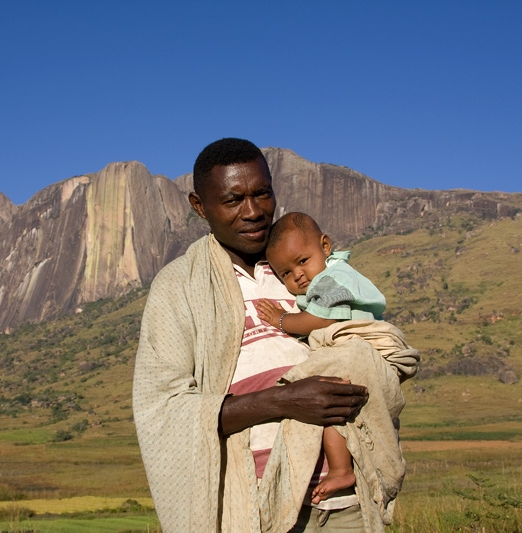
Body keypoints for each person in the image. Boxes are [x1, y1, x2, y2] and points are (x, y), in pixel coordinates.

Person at [133, 138, 381, 532]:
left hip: (346, 502)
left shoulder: (304, 268)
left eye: (261, 194)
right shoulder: (180, 286)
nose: (252, 212)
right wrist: (283, 400)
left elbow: (367, 336)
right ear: (199, 206)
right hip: (256, 505)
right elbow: (163, 410)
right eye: (233, 201)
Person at [254, 212, 388, 504]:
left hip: (354, 350)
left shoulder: (332, 278)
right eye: (285, 274)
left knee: (327, 407)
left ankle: (340, 470)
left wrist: (281, 320)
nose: (298, 275)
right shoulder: (331, 275)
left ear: (325, 246)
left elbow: (319, 320)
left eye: (302, 261)